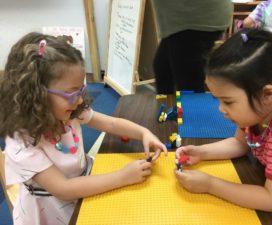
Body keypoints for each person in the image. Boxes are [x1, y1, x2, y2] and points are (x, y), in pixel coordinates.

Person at [0, 32, 167, 225]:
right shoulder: (23, 142)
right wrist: (123, 176)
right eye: (71, 93)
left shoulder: (70, 110)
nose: (79, 100)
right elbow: (63, 188)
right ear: (37, 94)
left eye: (81, 91)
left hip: (84, 188)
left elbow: (111, 123)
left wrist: (144, 133)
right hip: (52, 211)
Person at [174, 28, 272, 212]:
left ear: (267, 95)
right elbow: (239, 143)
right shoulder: (258, 111)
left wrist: (210, 185)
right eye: (217, 99)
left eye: (228, 102)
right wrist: (201, 152)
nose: (220, 109)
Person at [151, 0, 232, 94]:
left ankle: (189, 107)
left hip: (193, 21)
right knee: (163, 71)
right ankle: (167, 107)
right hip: (183, 21)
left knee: (187, 87)